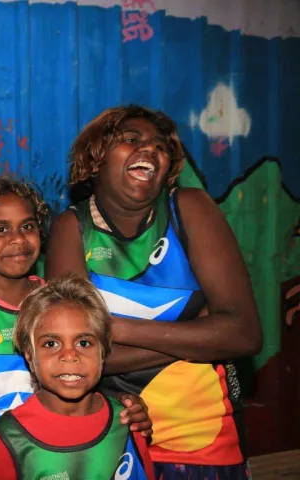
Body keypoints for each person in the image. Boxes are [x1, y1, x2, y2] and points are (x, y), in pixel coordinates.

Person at [46, 105, 261, 479]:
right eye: (131, 140)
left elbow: (243, 334)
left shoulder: (189, 209)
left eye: (161, 146)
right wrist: (200, 333)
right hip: (116, 433)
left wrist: (117, 330)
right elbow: (73, 357)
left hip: (205, 436)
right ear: (96, 160)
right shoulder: (72, 229)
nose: (150, 149)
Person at [0, 177, 152, 480]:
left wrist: (128, 410)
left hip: (65, 459)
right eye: (1, 229)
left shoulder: (58, 300)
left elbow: (88, 373)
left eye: (27, 226)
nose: (17, 239)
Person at [0, 276, 155, 480]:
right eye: (51, 344)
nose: (69, 355)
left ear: (103, 351)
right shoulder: (11, 436)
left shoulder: (128, 421)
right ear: (29, 356)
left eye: (84, 343)